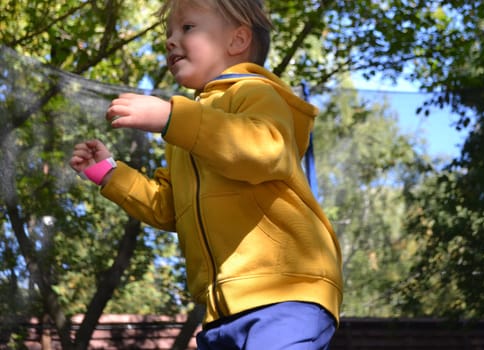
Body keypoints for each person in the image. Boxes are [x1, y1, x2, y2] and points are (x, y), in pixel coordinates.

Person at [69, 0, 343, 348]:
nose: (170, 40)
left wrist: (172, 118)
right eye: (168, 32)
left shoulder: (255, 92)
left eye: (187, 28)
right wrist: (110, 174)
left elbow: (265, 151)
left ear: (237, 40)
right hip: (222, 310)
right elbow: (168, 208)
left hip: (285, 290)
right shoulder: (187, 134)